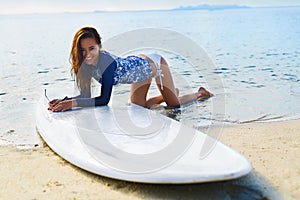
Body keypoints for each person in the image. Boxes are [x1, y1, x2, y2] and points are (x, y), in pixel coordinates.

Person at [48, 27, 212, 112]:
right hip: (138, 69)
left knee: (174, 107)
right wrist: (65, 100)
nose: (87, 54)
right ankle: (167, 92)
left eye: (91, 49)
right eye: (82, 50)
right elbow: (85, 96)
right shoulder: (84, 65)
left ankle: (200, 93)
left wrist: (73, 104)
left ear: (99, 46)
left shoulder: (106, 63)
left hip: (155, 65)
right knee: (140, 108)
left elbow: (104, 100)